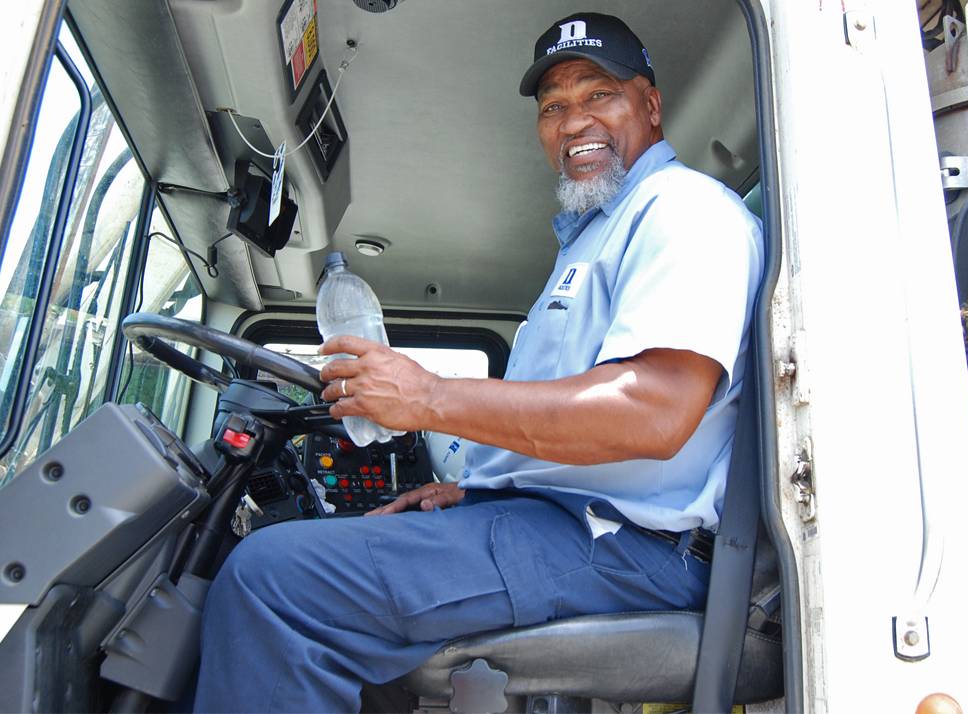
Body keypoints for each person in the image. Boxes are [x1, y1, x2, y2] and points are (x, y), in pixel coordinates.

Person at [194, 12, 762, 713]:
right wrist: (480, 491)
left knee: (271, 579)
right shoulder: (595, 239)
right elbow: (573, 429)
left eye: (598, 95)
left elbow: (653, 412)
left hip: (630, 549)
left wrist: (429, 397)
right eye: (554, 106)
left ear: (649, 104)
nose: (573, 120)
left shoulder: (684, 213)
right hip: (569, 523)